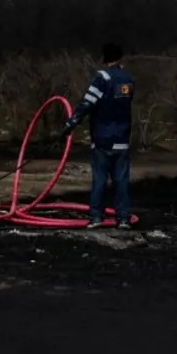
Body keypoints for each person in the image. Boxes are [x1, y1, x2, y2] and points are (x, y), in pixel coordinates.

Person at [63, 43, 135, 229]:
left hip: (102, 139)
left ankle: (96, 217)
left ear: (105, 58)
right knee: (122, 181)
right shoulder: (127, 80)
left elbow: (87, 103)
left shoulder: (102, 78)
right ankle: (124, 219)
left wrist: (71, 123)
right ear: (120, 58)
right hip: (122, 139)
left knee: (100, 180)